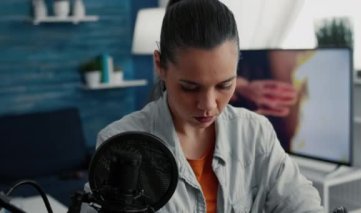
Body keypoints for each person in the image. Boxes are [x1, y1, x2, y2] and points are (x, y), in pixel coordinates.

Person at [90, 0, 324, 212]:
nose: (208, 106)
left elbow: (300, 200)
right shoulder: (121, 143)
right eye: (190, 88)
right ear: (160, 65)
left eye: (224, 85)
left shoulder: (255, 132)